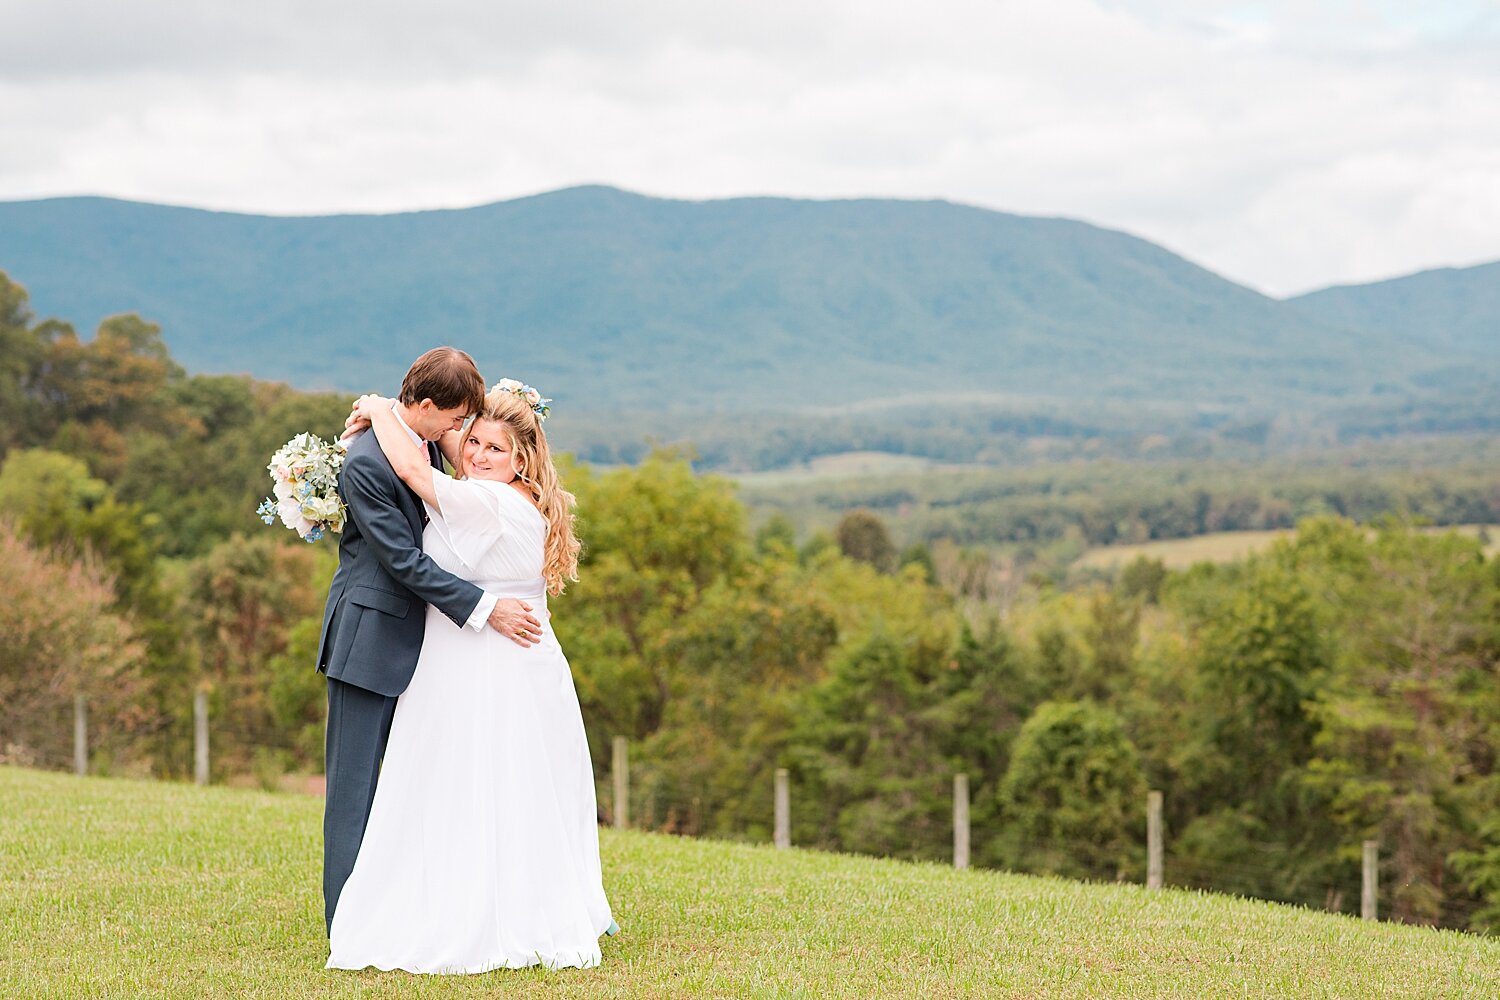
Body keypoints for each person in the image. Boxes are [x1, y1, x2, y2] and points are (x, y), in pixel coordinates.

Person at [325, 379, 616, 974]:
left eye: (495, 449)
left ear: (522, 462)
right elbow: (454, 451)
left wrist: (382, 407)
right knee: (496, 788)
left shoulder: (488, 500)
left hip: (489, 665)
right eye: (473, 441)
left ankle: (478, 909)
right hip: (493, 659)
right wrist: (456, 431)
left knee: (480, 785)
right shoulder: (501, 490)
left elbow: (412, 467)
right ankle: (503, 895)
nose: (477, 454)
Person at [315, 348, 543, 935]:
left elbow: (437, 464)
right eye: (454, 420)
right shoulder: (367, 462)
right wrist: (485, 609)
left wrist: (380, 408)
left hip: (419, 646)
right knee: (355, 785)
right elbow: (402, 561)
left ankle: (392, 901)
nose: (459, 435)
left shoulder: (412, 439)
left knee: (401, 785)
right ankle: (345, 918)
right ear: (423, 406)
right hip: (369, 635)